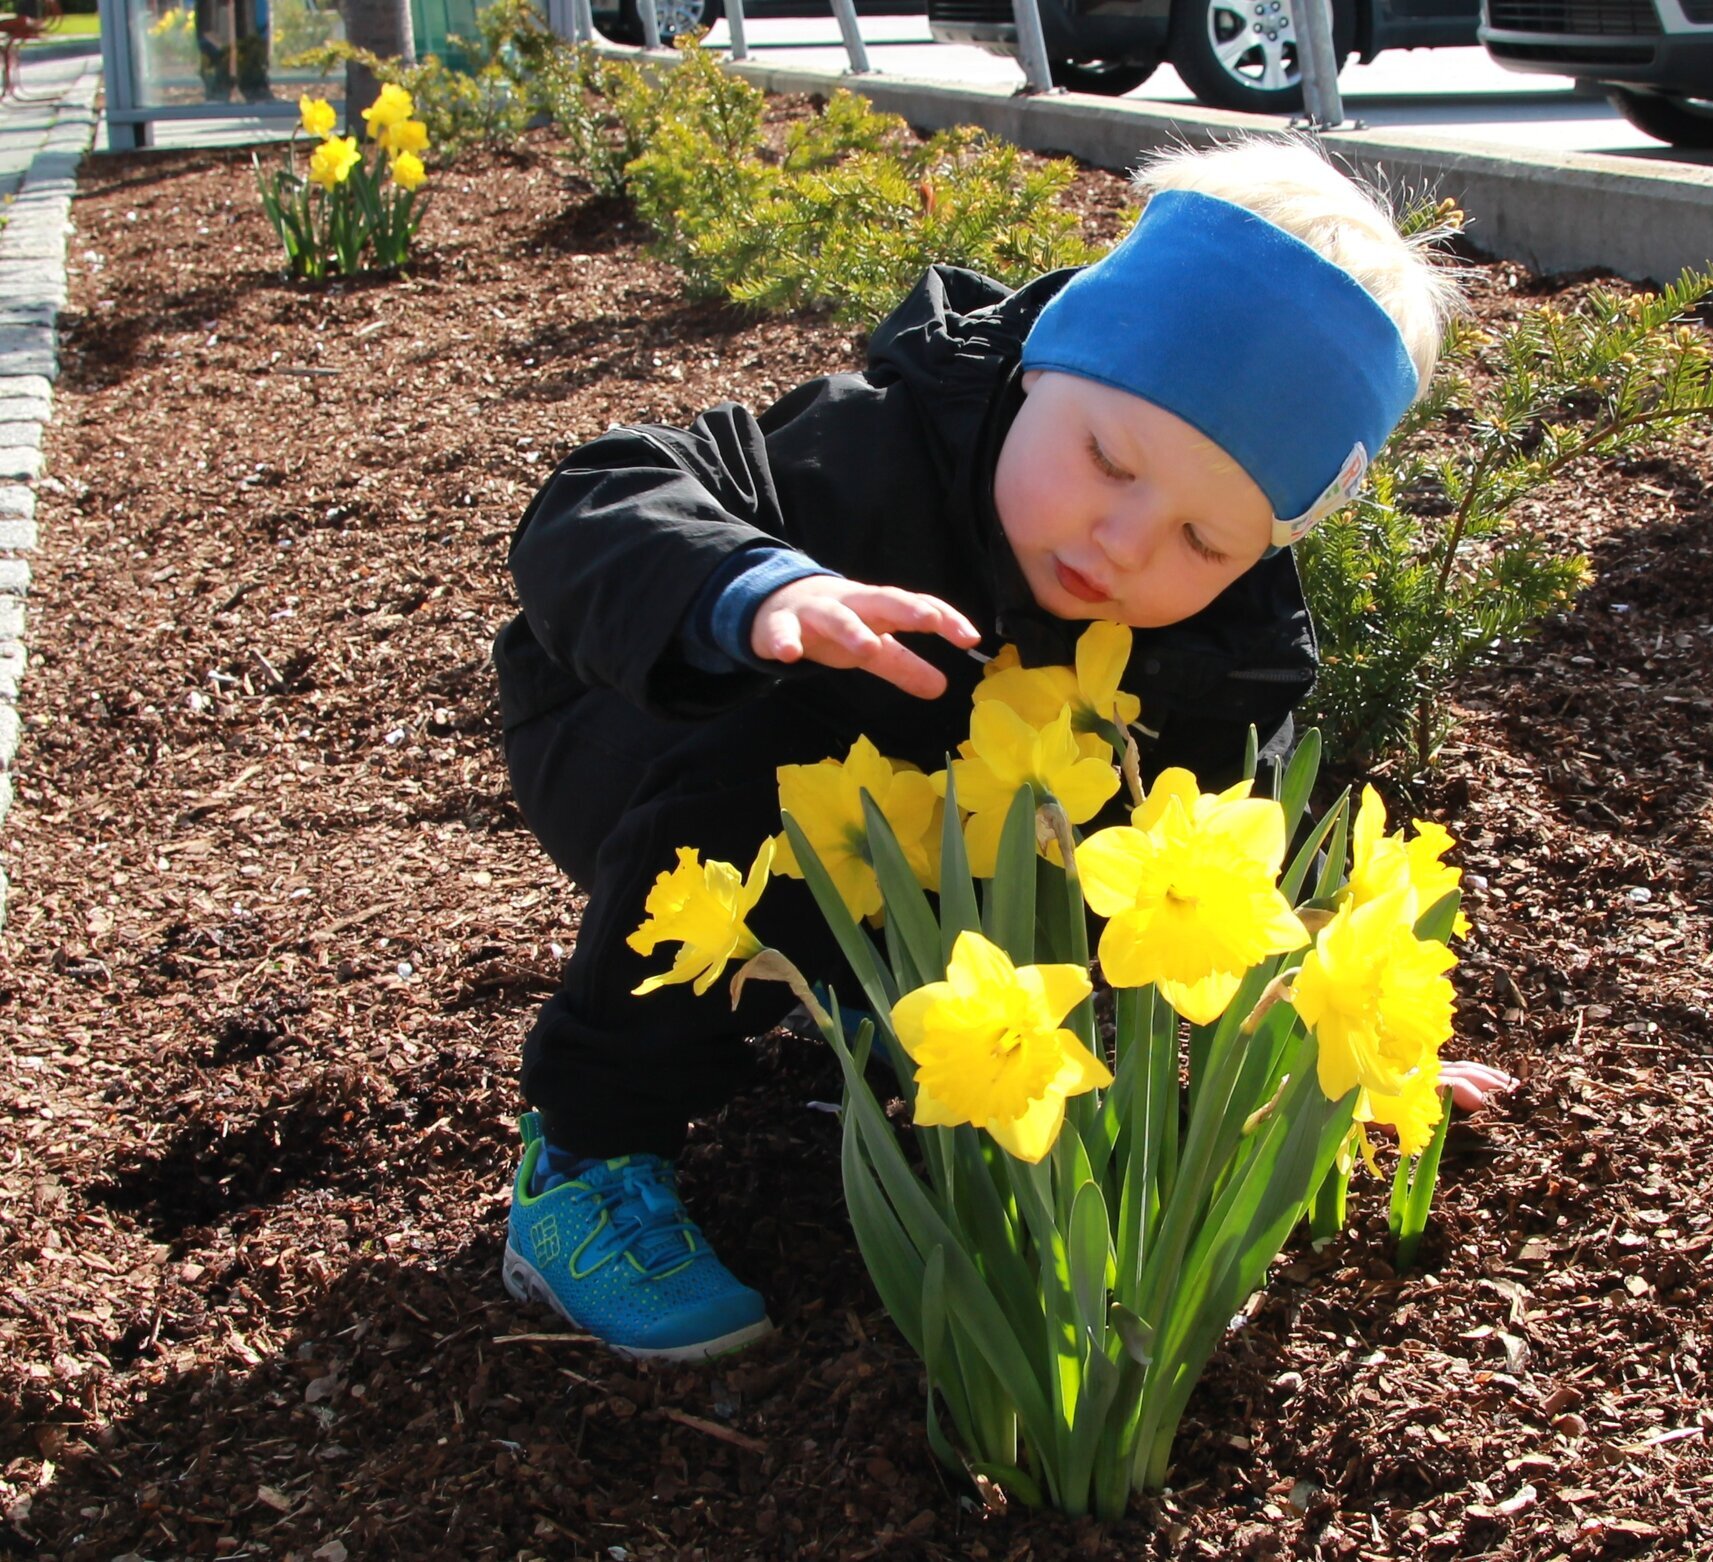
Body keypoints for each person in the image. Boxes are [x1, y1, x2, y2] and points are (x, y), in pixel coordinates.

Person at [492, 134, 1493, 1363]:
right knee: (768, 777)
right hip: (637, 731)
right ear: (1038, 369)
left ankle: (883, 997)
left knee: (1097, 844)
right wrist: (757, 594)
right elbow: (591, 499)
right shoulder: (871, 456)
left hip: (914, 824)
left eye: (1203, 537)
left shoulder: (1223, 645)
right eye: (1108, 460)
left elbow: (1230, 856)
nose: (1125, 543)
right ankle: (586, 1152)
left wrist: (1339, 1034)